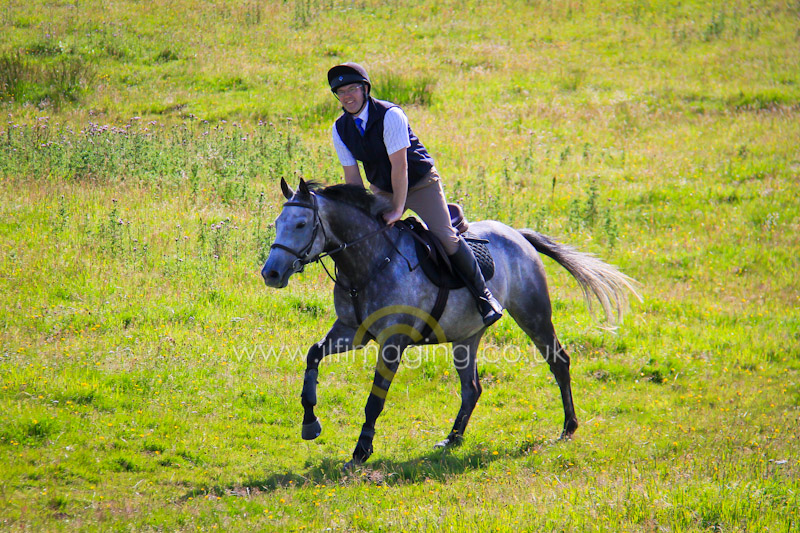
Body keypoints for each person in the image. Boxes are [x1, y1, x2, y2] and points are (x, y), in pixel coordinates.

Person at [327, 62, 503, 326]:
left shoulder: (390, 115)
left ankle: (484, 297)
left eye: (353, 88)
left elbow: (401, 167)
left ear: (365, 89)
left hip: (420, 184)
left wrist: (398, 209)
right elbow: (353, 180)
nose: (348, 96)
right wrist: (360, 213)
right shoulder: (340, 129)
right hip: (383, 189)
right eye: (341, 92)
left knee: (445, 236)